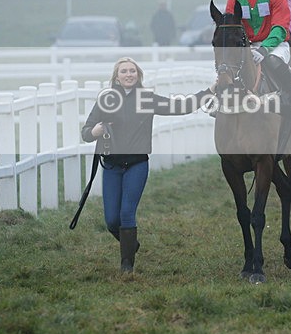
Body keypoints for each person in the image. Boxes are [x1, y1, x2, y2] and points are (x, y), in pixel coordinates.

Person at [81, 56, 214, 273]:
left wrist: (209, 91)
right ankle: (130, 244)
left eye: (132, 71)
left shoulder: (146, 98)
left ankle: (127, 266)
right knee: (111, 220)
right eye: (124, 71)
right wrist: (95, 131)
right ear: (116, 76)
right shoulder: (106, 100)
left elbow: (180, 106)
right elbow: (86, 133)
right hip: (112, 166)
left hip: (137, 164)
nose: (128, 74)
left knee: (126, 214)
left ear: (138, 75)